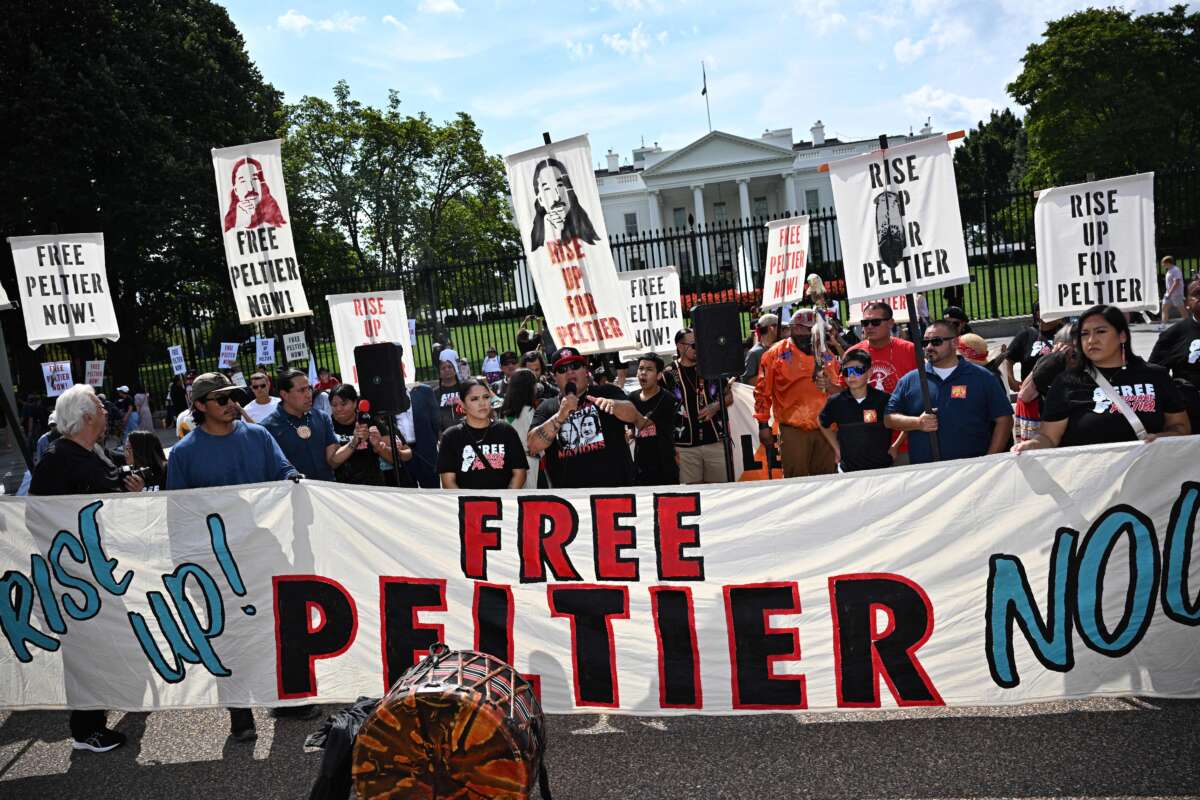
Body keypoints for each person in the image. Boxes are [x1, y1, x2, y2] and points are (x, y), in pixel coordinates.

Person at [164, 372, 300, 742]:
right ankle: (239, 712)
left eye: (232, 397)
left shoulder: (257, 436)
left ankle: (285, 699)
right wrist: (187, 567)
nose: (230, 404)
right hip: (216, 561)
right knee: (228, 634)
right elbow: (178, 512)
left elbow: (282, 469)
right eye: (220, 399)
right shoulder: (184, 453)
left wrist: (293, 479)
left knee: (277, 623)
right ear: (199, 406)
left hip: (261, 548)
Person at [30, 384, 146, 754]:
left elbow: (106, 494)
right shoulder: (56, 458)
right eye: (99, 406)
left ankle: (113, 700)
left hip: (103, 569)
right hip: (77, 577)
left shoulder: (91, 451)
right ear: (84, 417)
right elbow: (39, 518)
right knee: (85, 652)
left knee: (115, 640)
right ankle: (86, 730)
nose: (106, 411)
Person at [1015, 304, 1190, 452]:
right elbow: (1048, 437)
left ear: (1122, 335)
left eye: (1100, 331)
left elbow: (1181, 428)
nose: (1091, 340)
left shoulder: (1156, 376)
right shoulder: (1066, 383)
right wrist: (1032, 446)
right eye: (1084, 334)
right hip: (1093, 486)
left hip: (1149, 482)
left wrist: (1160, 440)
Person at [886, 320, 1013, 463]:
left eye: (936, 341)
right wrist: (917, 423)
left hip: (973, 473)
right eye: (925, 342)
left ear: (955, 342)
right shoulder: (910, 380)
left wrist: (990, 460)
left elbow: (1004, 420)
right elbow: (889, 419)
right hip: (926, 474)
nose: (929, 347)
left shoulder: (982, 377)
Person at [527, 346, 643, 488]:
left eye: (575, 366)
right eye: (562, 369)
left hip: (615, 494)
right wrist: (560, 416)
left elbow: (634, 415)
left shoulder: (607, 392)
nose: (570, 372)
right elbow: (533, 445)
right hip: (572, 500)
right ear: (554, 377)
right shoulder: (547, 407)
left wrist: (614, 405)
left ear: (585, 370)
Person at [754, 308, 841, 478]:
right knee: (797, 481)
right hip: (794, 429)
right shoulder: (774, 354)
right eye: (801, 328)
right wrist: (763, 425)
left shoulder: (827, 353)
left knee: (827, 481)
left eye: (811, 328)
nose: (806, 333)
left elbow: (840, 386)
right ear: (792, 328)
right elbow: (762, 391)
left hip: (827, 429)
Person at [665, 328, 735, 484]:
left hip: (714, 441)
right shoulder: (668, 374)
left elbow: (728, 396)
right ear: (680, 346)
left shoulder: (711, 367)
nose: (699, 349)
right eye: (694, 345)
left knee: (722, 493)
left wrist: (716, 406)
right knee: (693, 495)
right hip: (685, 447)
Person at [437, 379, 528, 489]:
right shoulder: (451, 436)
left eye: (486, 397)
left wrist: (505, 502)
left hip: (504, 503)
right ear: (462, 404)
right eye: (474, 399)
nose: (482, 403)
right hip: (467, 504)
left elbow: (520, 473)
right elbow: (448, 482)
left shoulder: (506, 431)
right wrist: (468, 505)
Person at [819, 350, 898, 472]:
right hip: (848, 471)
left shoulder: (884, 399)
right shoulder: (836, 401)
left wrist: (895, 446)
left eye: (857, 370)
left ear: (870, 372)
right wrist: (837, 448)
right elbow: (822, 422)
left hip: (882, 469)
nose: (851, 376)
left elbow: (904, 420)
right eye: (846, 371)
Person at [261, 368, 345, 482]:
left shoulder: (322, 418)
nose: (308, 395)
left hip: (327, 492)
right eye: (301, 390)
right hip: (294, 495)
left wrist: (354, 442)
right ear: (284, 394)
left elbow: (333, 461)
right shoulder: (267, 428)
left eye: (309, 389)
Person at [328, 383, 411, 485]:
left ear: (355, 403)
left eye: (344, 404)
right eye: (334, 405)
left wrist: (379, 446)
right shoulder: (328, 425)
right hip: (345, 490)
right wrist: (354, 441)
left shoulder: (370, 420)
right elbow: (332, 462)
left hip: (374, 486)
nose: (339, 409)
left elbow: (403, 454)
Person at [1149, 274, 1200, 432]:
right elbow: (1153, 376)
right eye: (1197, 294)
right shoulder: (1174, 335)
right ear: (1187, 303)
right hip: (1193, 418)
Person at [528, 157, 600, 252]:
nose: (557, 196)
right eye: (547, 189)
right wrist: (554, 232)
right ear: (540, 199)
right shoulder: (539, 236)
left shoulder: (585, 228)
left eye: (560, 185)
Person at [628, 353, 680, 485]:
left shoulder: (667, 398)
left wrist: (619, 407)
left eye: (649, 369)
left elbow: (642, 423)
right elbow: (632, 430)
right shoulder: (631, 398)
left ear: (658, 375)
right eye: (640, 368)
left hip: (664, 466)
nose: (643, 373)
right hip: (640, 466)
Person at [1002, 303, 1064, 392]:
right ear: (1039, 314)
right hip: (1032, 397)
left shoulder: (1067, 333)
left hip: (1062, 394)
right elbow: (1008, 359)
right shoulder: (1026, 335)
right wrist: (1011, 380)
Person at [499, 368, 541, 488]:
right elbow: (537, 443)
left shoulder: (504, 412)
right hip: (530, 463)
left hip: (510, 465)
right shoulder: (530, 412)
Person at [221, 156, 288, 231]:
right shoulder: (230, 222)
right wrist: (239, 220)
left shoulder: (275, 217)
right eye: (243, 181)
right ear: (236, 190)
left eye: (255, 179)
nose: (250, 188)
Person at [741, 313, 781, 386]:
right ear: (771, 328)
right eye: (780, 327)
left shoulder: (782, 348)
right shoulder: (755, 353)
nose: (781, 330)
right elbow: (747, 382)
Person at [434, 356, 466, 434]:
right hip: (446, 433)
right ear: (439, 374)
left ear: (455, 371)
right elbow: (433, 415)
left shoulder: (464, 387)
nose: (447, 370)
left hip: (466, 429)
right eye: (443, 368)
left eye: (449, 367)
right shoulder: (435, 393)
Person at [1160, 256, 1185, 325]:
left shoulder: (1175, 270)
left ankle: (1188, 325)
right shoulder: (1169, 271)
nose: (1162, 265)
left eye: (1163, 263)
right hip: (1169, 293)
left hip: (1176, 294)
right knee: (1164, 308)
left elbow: (1176, 282)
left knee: (1181, 310)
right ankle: (1163, 325)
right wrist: (1168, 293)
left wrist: (1170, 293)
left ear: (1167, 262)